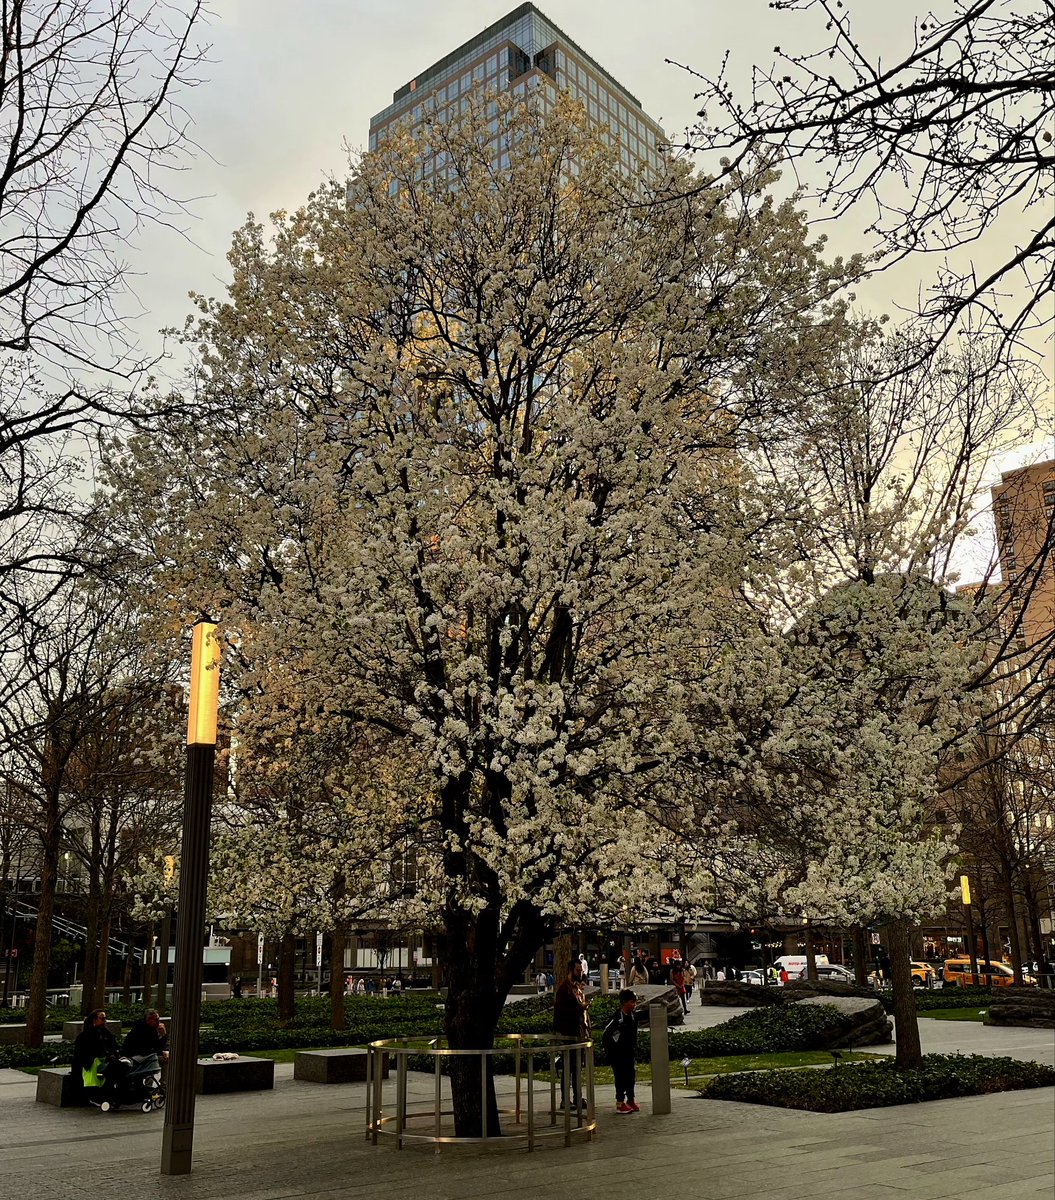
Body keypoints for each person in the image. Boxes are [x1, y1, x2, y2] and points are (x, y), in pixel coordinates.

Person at [552, 960, 590, 1111]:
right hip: (568, 1033)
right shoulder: (565, 989)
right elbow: (562, 1012)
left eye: (581, 970)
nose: (580, 973)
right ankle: (565, 1099)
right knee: (568, 1067)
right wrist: (579, 1008)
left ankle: (577, 1097)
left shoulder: (576, 988)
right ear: (571, 970)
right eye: (578, 970)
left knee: (576, 1068)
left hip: (578, 1032)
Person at [602, 989, 640, 1113]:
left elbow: (644, 1014)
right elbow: (606, 1035)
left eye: (635, 1002)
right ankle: (620, 1102)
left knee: (631, 1076)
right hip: (617, 1055)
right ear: (624, 1002)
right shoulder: (616, 1019)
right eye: (632, 1002)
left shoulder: (633, 1016)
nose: (634, 1005)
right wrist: (611, 1051)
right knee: (620, 1077)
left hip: (629, 1052)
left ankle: (631, 1099)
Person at [72, 1009, 119, 1100]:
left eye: (105, 1019)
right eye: (102, 1019)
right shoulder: (85, 1036)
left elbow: (113, 1046)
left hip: (104, 1061)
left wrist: (113, 1054)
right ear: (94, 1020)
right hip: (90, 1064)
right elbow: (83, 1054)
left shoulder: (106, 1033)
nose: (104, 1021)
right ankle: (94, 1095)